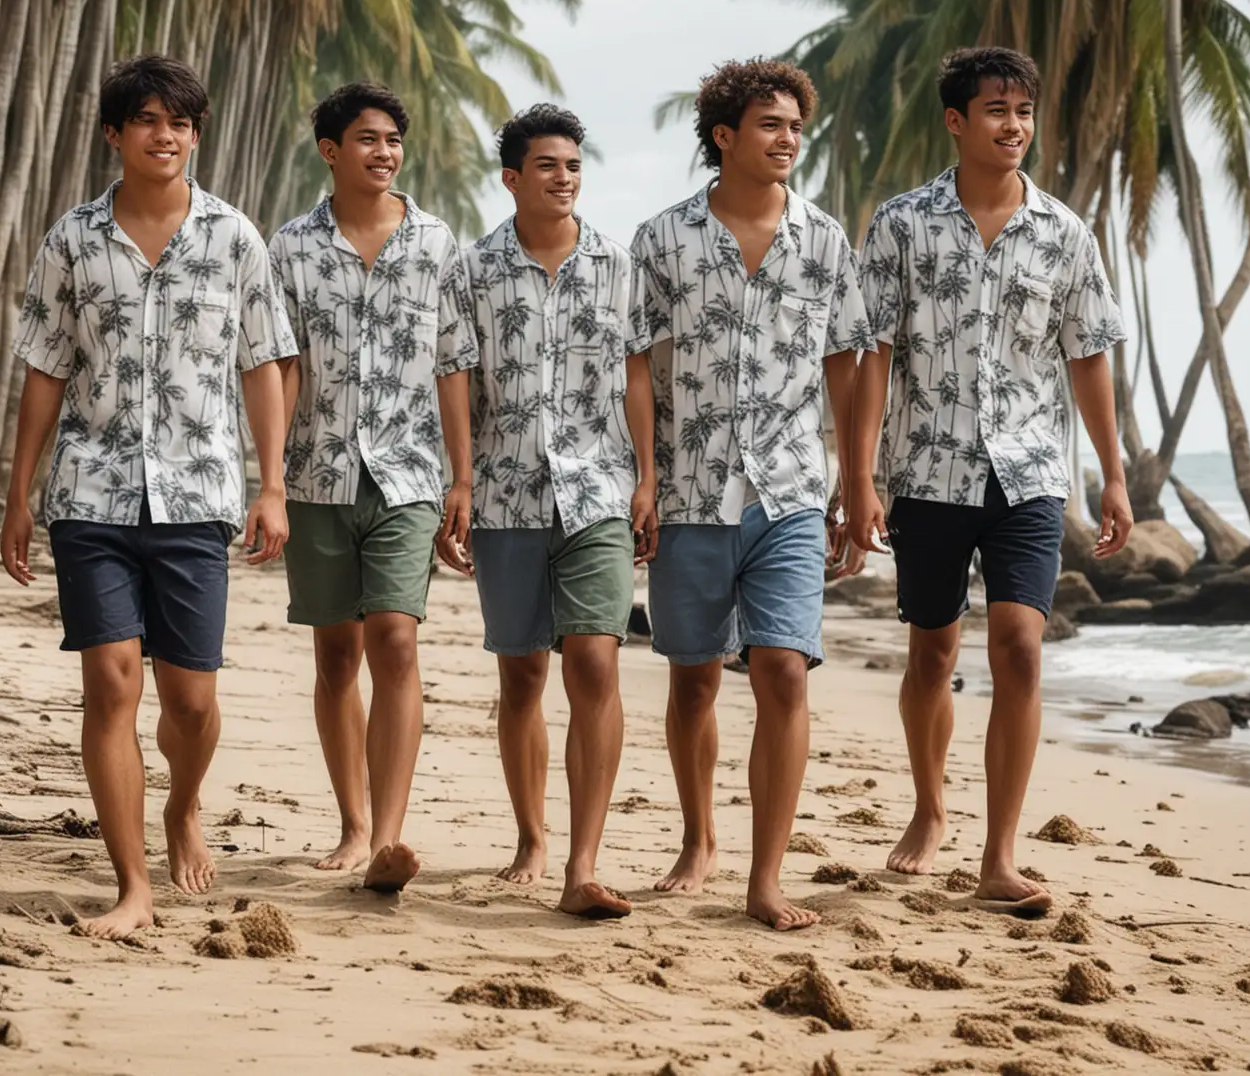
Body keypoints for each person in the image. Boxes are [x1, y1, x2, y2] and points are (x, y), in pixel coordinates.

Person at [0, 56, 296, 939]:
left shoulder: (236, 238)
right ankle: (132, 884)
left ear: (196, 136)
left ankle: (183, 805)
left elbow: (263, 365)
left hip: (199, 495)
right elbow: (46, 370)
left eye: (181, 122)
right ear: (114, 134)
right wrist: (20, 495)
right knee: (110, 684)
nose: (165, 134)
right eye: (147, 120)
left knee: (192, 703)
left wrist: (272, 483)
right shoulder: (72, 241)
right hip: (89, 493)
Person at [846, 45, 1133, 917]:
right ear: (956, 121)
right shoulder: (901, 225)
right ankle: (931, 809)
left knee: (1018, 645)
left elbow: (1088, 358)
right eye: (997, 110)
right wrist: (858, 477)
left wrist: (1113, 478)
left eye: (1024, 110)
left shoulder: (1064, 232)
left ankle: (999, 855)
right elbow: (874, 358)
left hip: (1031, 474)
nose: (1015, 126)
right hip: (927, 471)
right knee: (932, 650)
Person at [628, 59, 871, 932]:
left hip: (793, 491)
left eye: (796, 127)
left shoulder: (825, 239)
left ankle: (766, 877)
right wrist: (644, 477)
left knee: (781, 670)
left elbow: (849, 362)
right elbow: (637, 367)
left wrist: (859, 481)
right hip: (691, 491)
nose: (788, 140)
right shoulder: (661, 240)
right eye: (770, 125)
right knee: (692, 679)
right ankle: (699, 838)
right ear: (724, 136)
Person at [269, 81, 477, 895]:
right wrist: (272, 482)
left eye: (393, 139)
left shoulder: (436, 243)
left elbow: (453, 364)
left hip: (408, 471)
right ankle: (353, 824)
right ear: (330, 150)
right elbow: (281, 368)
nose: (383, 152)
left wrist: (463, 477)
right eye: (366, 139)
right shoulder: (290, 248)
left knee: (394, 635)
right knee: (335, 653)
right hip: (317, 471)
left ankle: (389, 836)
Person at [464, 105, 649, 921]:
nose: (564, 177)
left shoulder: (617, 263)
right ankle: (531, 838)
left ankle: (583, 862)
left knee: (596, 665)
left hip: (600, 490)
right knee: (522, 673)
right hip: (505, 491)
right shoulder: (471, 272)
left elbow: (638, 373)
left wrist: (646, 477)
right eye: (546, 165)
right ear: (512, 178)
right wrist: (458, 483)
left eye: (573, 164)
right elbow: (457, 383)